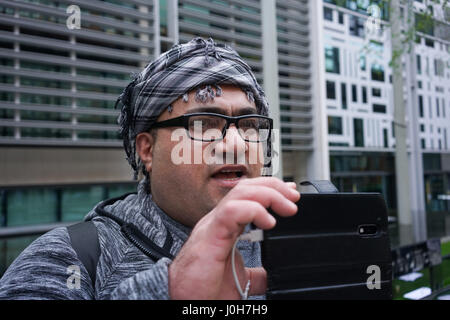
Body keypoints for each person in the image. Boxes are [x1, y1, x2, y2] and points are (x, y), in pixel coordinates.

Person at [0, 38, 300, 300]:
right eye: (203, 124)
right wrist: (170, 290)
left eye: (248, 125)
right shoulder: (65, 259)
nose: (235, 143)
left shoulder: (295, 240)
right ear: (147, 150)